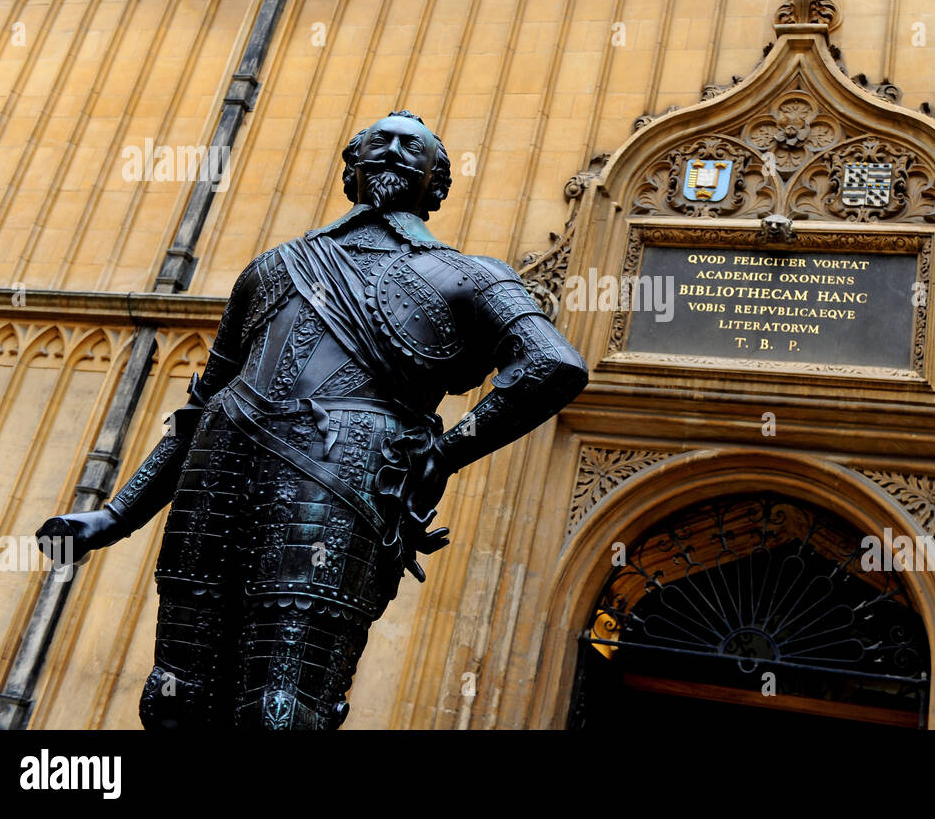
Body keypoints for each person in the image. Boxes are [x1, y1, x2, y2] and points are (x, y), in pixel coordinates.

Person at [37, 110, 589, 728]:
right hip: (217, 477)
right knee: (173, 697)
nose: (395, 148)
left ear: (436, 185)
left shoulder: (474, 275)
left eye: (414, 146)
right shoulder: (274, 266)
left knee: (281, 709)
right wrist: (116, 514)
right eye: (379, 140)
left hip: (336, 485)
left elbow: (553, 366)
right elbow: (200, 406)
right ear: (351, 169)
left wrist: (448, 451)